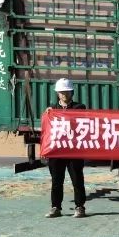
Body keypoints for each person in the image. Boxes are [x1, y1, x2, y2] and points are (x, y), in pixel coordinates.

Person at [45, 78, 88, 219]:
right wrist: (48, 113)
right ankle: (56, 207)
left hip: (74, 151)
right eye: (61, 92)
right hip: (57, 151)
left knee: (77, 180)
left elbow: (80, 120)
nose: (64, 94)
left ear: (72, 92)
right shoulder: (51, 110)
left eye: (67, 92)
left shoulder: (79, 107)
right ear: (57, 93)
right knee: (56, 180)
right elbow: (47, 131)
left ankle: (80, 207)